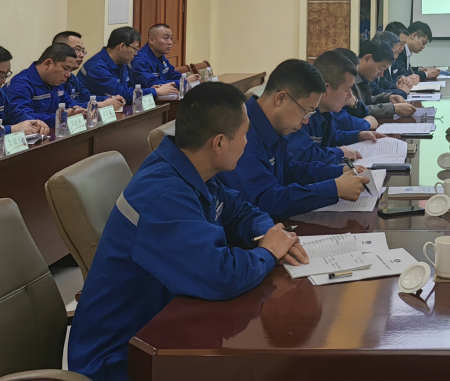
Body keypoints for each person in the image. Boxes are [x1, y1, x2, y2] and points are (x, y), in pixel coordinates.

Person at [67, 82, 309, 381]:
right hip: (124, 358)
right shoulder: (163, 195)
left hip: (169, 325)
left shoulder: (194, 168)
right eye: (244, 135)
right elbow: (220, 276)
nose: (247, 143)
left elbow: (239, 210)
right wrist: (268, 251)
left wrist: (267, 232)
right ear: (218, 143)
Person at [220, 58, 368, 219]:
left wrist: (339, 171)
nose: (306, 121)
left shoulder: (273, 126)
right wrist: (333, 189)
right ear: (281, 99)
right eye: (306, 112)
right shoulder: (243, 133)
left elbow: (290, 171)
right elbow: (263, 201)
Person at [304, 50, 384, 154]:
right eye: (347, 90)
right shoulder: (303, 117)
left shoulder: (326, 113)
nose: (350, 95)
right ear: (325, 89)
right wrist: (339, 153)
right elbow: (303, 157)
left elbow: (332, 137)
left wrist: (357, 135)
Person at [7, 43, 86, 125]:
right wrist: (61, 116)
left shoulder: (55, 81)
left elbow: (69, 103)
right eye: (66, 68)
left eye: (70, 70)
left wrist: (83, 110)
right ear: (48, 63)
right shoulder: (20, 84)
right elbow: (23, 118)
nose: (68, 74)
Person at [78, 26, 142, 107]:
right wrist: (155, 91)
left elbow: (129, 87)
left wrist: (150, 89)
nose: (136, 53)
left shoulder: (123, 63)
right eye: (135, 49)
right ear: (122, 46)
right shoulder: (96, 67)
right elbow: (122, 94)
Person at [130, 24, 192, 96]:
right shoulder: (139, 60)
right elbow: (153, 84)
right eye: (166, 38)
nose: (170, 42)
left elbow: (171, 74)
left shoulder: (161, 56)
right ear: (151, 40)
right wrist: (182, 82)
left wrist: (186, 79)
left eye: (171, 38)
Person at [52, 31, 90, 104]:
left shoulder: (72, 78)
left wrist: (108, 100)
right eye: (77, 49)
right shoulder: (52, 79)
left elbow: (87, 97)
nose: (82, 55)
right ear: (60, 49)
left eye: (83, 51)